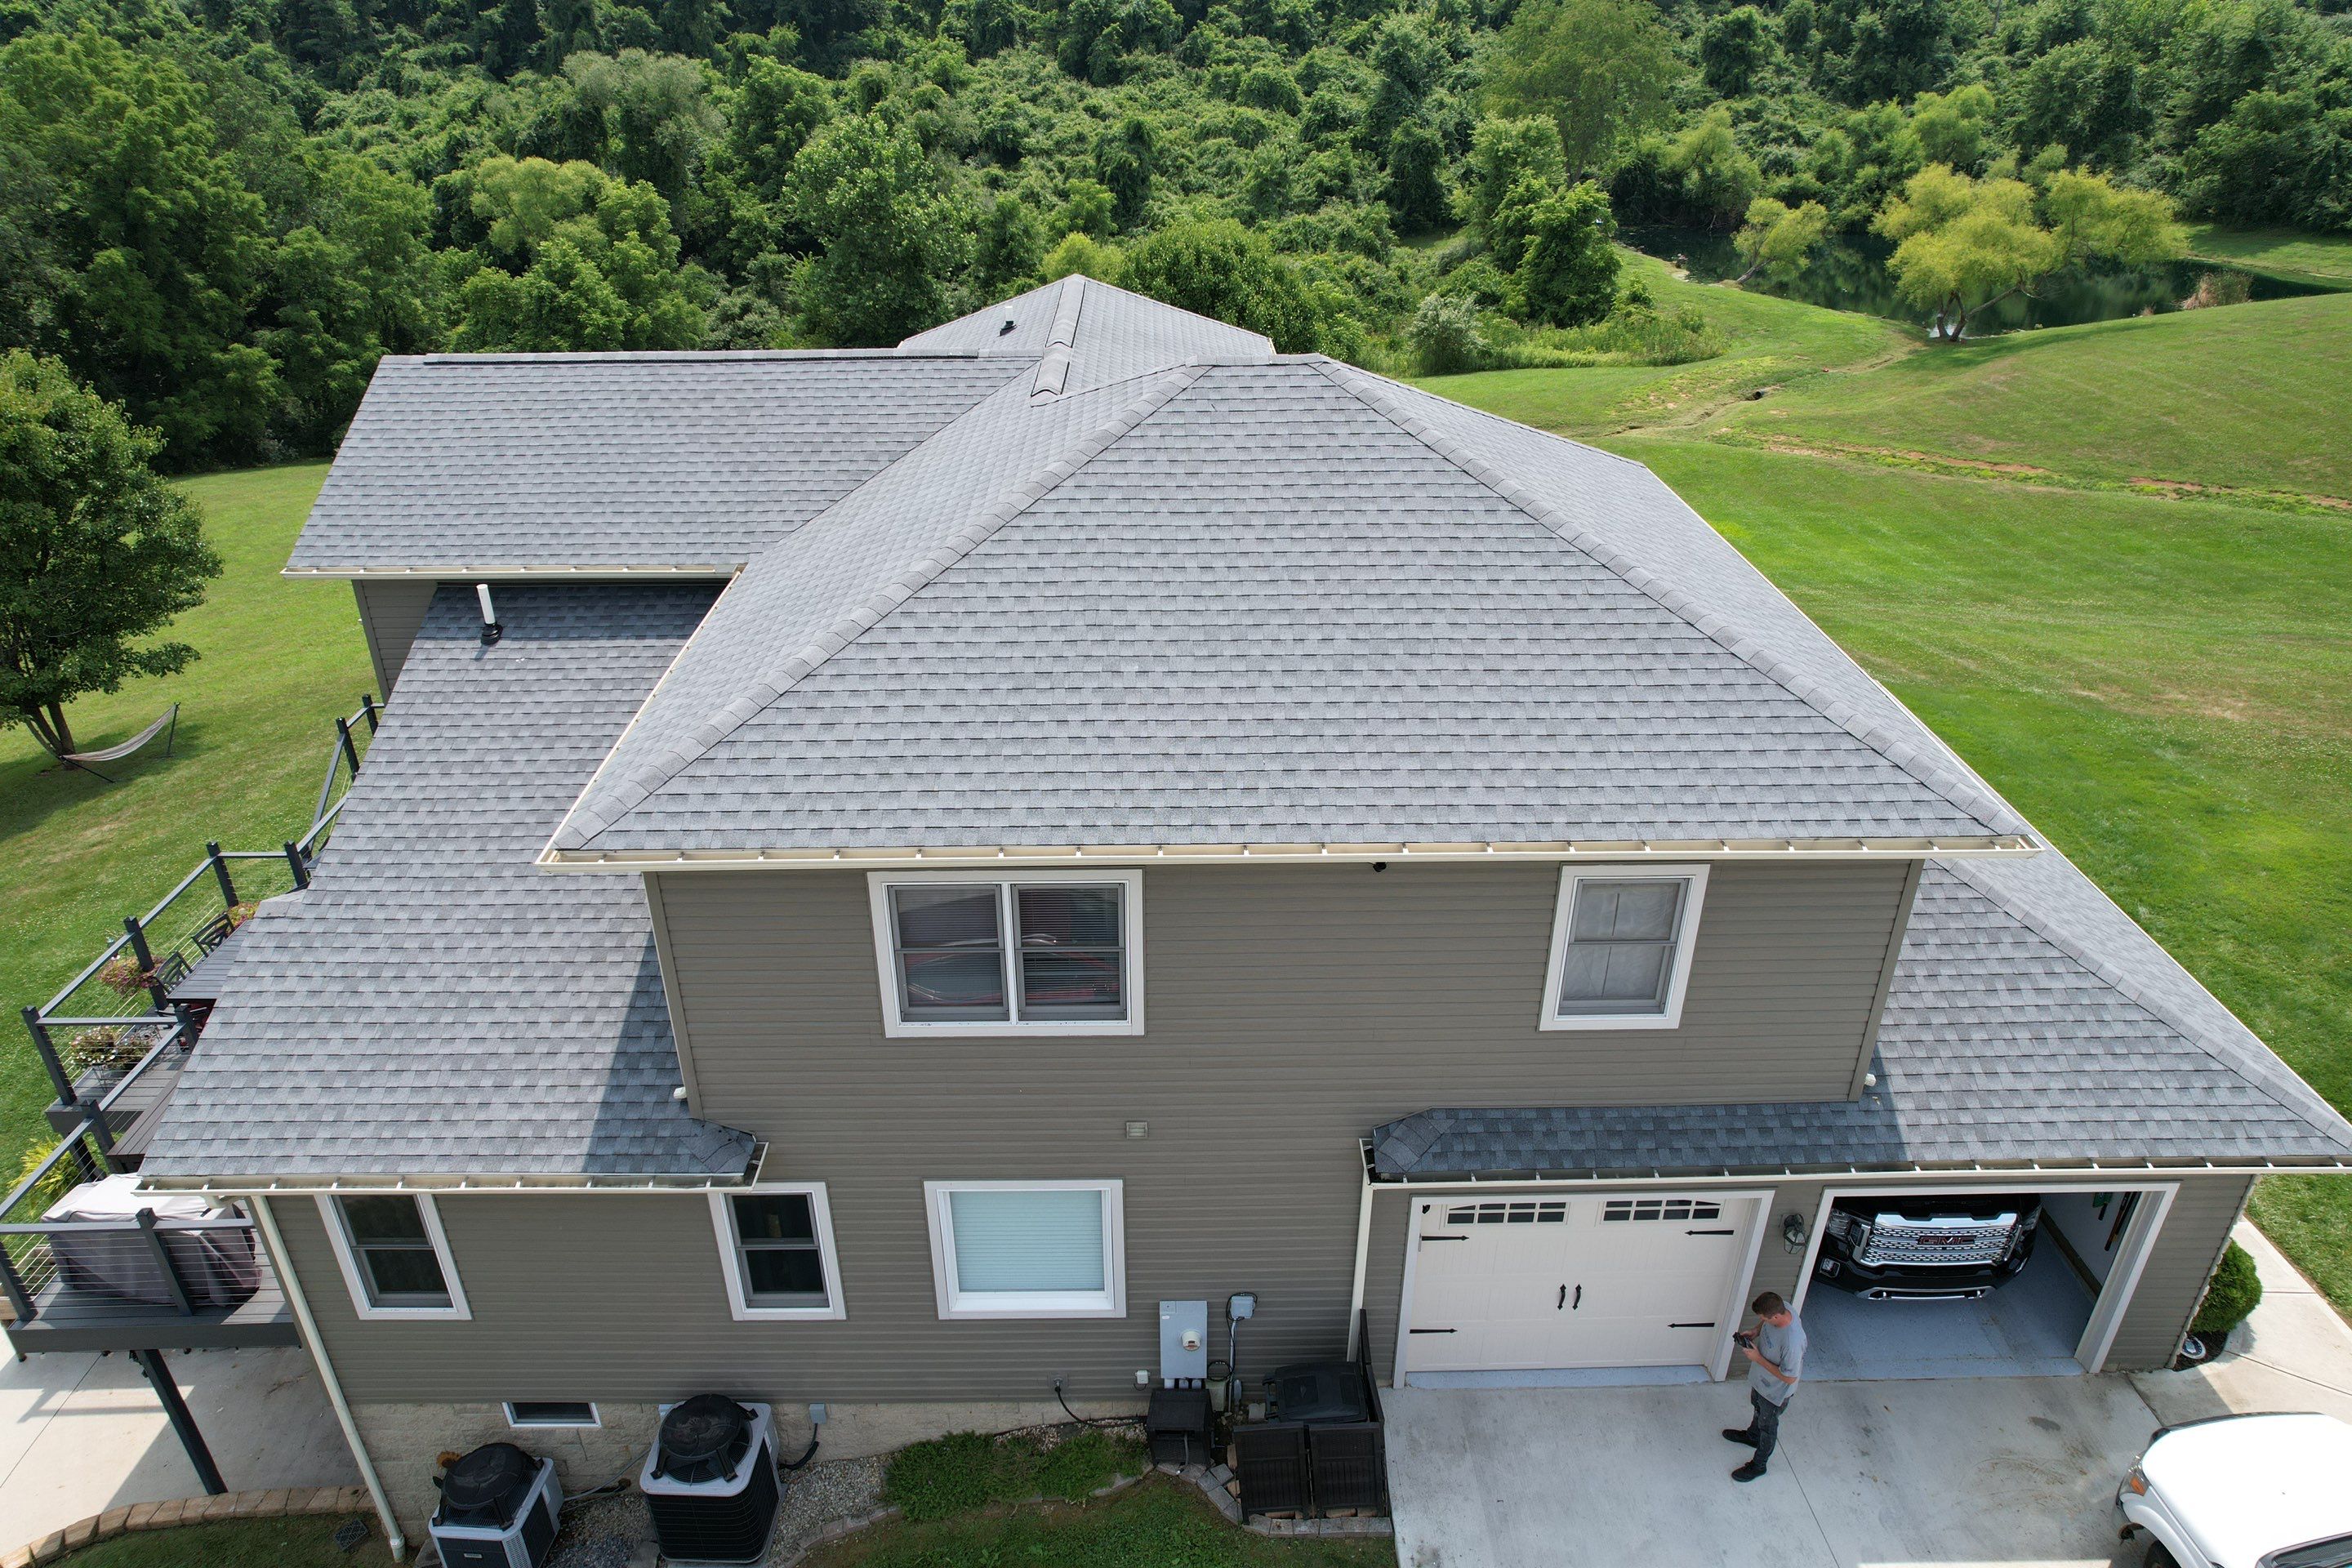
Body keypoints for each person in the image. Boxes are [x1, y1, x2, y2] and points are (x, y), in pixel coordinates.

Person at [1723, 1290, 1805, 1482]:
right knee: (1758, 1409)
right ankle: (1752, 1436)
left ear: (1776, 1316)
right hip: (1762, 1382)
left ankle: (1759, 1465)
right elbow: (1764, 1323)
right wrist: (1756, 1330)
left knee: (1768, 1426)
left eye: (1764, 1319)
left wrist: (1758, 1358)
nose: (1763, 1321)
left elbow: (1790, 1378)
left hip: (1776, 1392)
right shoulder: (1783, 1307)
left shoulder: (1793, 1343)